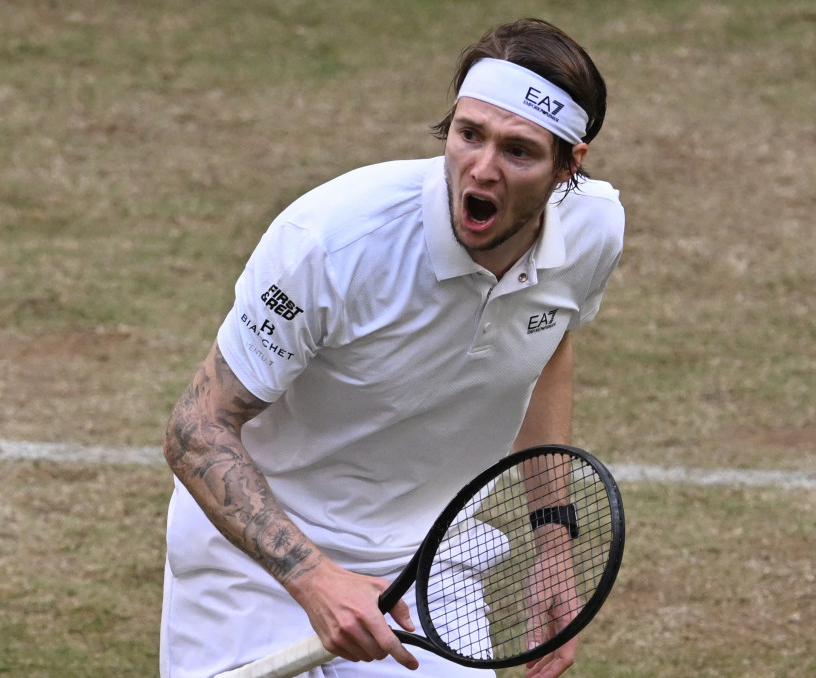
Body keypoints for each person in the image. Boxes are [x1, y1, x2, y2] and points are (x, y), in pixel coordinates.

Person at [160, 17, 623, 678]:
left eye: (518, 151)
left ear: (568, 166)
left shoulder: (592, 230)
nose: (482, 169)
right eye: (469, 135)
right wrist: (314, 577)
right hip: (252, 563)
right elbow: (195, 430)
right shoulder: (331, 242)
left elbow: (546, 344)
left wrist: (552, 544)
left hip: (424, 566)